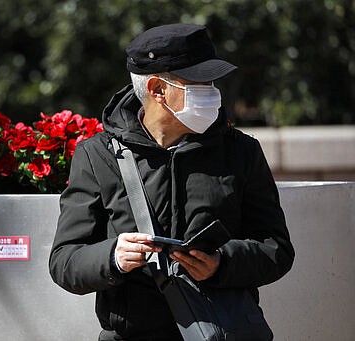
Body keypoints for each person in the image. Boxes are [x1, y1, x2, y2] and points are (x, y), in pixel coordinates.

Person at [49, 23, 294, 341]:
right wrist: (113, 257)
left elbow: (276, 249)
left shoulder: (241, 151)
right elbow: (65, 261)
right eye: (198, 81)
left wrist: (222, 263)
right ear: (156, 89)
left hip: (221, 333)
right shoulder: (98, 156)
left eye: (211, 81)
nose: (211, 91)